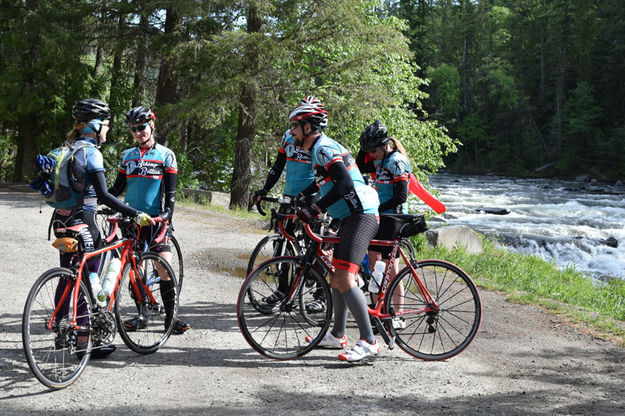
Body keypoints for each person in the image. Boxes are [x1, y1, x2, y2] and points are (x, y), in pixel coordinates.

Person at [32, 98, 155, 359]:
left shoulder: (64, 147)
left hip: (61, 221)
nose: (108, 130)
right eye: (107, 125)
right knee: (90, 280)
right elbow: (103, 195)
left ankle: (62, 332)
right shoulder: (91, 152)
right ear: (96, 126)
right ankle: (85, 339)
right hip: (83, 223)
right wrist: (134, 213)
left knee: (69, 275)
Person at [291, 96, 381, 362]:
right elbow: (324, 183)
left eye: (295, 126)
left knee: (344, 277)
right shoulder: (318, 150)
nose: (292, 131)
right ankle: (338, 334)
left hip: (360, 215)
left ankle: (369, 341)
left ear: (308, 127)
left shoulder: (323, 148)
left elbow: (344, 184)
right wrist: (300, 199)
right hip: (350, 216)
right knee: (336, 275)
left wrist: (315, 209)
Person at [108, 106, 190, 335]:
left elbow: (171, 193)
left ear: (151, 125)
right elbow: (117, 187)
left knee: (163, 267)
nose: (138, 132)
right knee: (135, 270)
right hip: (132, 220)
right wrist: (98, 197)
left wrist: (166, 215)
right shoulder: (127, 155)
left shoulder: (166, 154)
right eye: (133, 129)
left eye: (141, 127)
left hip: (156, 221)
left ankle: (170, 319)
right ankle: (142, 314)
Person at [250, 128, 318, 308]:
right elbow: (278, 166)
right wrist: (264, 189)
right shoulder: (287, 136)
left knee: (315, 245)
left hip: (311, 197)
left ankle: (319, 293)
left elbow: (321, 175)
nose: (294, 126)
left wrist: (306, 196)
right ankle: (283, 289)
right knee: (281, 242)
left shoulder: (315, 141)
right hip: (289, 195)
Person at [356, 120, 411, 329]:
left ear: (384, 145)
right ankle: (378, 309)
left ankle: (399, 315)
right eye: (368, 150)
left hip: (394, 219)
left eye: (373, 150)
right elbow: (361, 165)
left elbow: (402, 196)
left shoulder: (397, 162)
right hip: (381, 217)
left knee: (392, 268)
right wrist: (363, 147)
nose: (371, 155)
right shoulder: (379, 160)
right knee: (373, 263)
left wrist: (378, 208)